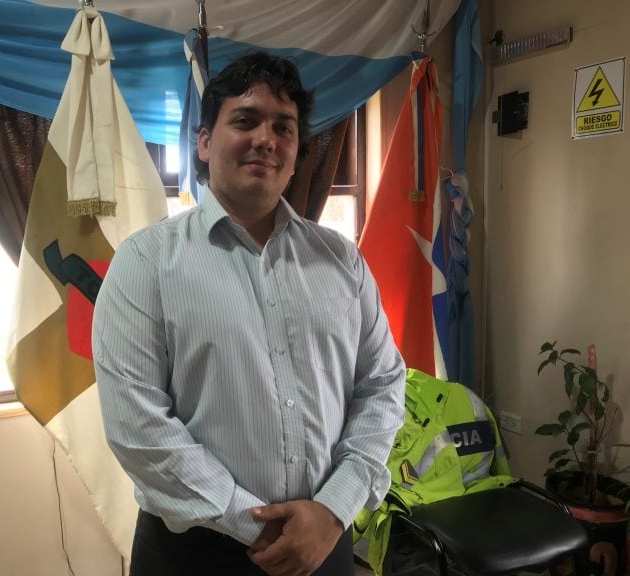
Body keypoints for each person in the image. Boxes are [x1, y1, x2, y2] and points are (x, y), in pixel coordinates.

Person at [93, 52, 406, 576]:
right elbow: (137, 425)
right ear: (204, 142)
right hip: (194, 553)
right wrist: (258, 525)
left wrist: (335, 507)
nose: (266, 139)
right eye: (245, 120)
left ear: (296, 152)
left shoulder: (341, 260)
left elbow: (382, 384)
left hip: (323, 541)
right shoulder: (146, 262)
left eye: (283, 127)